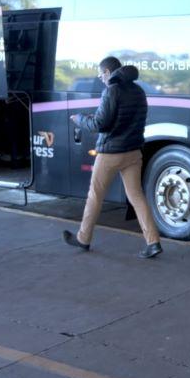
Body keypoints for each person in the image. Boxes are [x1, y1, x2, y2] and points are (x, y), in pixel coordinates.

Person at [62, 57, 162, 259]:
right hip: (133, 152)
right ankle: (153, 242)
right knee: (136, 196)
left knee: (95, 195)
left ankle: (83, 238)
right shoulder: (138, 90)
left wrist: (79, 119)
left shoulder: (112, 90)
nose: (100, 79)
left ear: (108, 71)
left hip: (110, 153)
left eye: (101, 75)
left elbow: (100, 124)